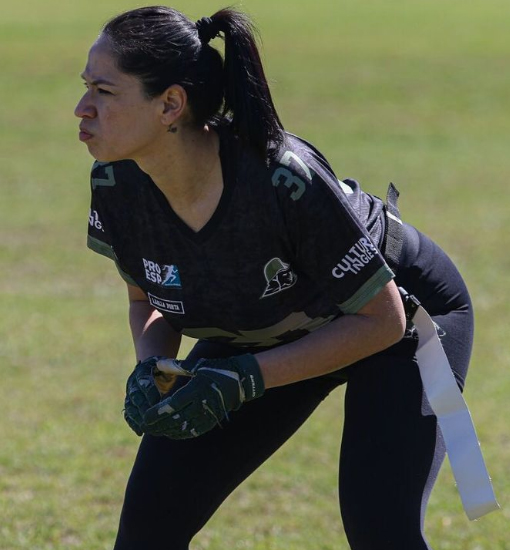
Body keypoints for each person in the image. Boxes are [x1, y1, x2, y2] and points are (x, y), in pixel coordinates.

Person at [74, 6, 475, 550]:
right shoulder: (116, 180)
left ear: (170, 104)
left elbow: (382, 319)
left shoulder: (281, 177)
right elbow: (148, 296)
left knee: (382, 530)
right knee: (148, 528)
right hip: (262, 330)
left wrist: (242, 379)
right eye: (85, 87)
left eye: (103, 90)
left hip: (399, 320)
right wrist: (153, 366)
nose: (82, 108)